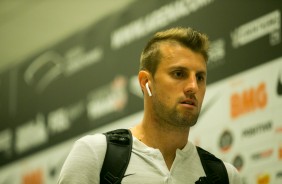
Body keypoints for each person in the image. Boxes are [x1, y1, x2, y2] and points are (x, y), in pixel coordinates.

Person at [57, 27, 242, 184]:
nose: (193, 87)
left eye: (200, 77)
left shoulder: (227, 177)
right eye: (179, 74)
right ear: (146, 82)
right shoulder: (95, 155)